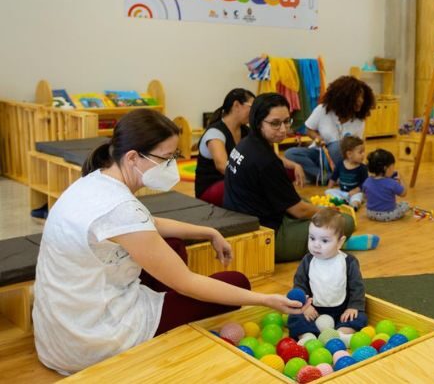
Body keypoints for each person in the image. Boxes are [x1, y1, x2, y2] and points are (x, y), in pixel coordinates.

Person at [33, 109, 304, 376]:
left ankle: (169, 299)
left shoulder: (96, 180)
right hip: (92, 338)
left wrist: (208, 232)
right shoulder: (118, 208)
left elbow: (148, 224)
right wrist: (265, 300)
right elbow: (185, 281)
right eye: (165, 158)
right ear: (132, 157)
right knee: (236, 282)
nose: (171, 166)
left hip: (62, 325)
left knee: (173, 242)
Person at [223, 93, 355, 262]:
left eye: (286, 121)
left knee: (307, 203)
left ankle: (334, 242)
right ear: (258, 122)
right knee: (345, 221)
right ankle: (335, 243)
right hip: (267, 237)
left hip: (249, 218)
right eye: (275, 124)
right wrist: (330, 212)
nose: (284, 129)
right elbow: (298, 211)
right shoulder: (266, 161)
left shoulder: (247, 142)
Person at [287, 208, 367, 339]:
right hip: (313, 311)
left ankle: (342, 335)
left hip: (342, 310)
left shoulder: (349, 262)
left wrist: (353, 307)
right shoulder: (307, 261)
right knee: (295, 316)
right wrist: (305, 306)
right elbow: (300, 285)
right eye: (312, 238)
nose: (316, 245)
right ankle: (307, 337)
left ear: (340, 242)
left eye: (324, 241)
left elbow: (357, 287)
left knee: (359, 316)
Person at [284, 76, 375, 185]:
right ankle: (326, 177)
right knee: (291, 153)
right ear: (344, 98)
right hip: (319, 153)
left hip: (341, 160)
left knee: (337, 146)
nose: (361, 100)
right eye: (357, 97)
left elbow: (357, 145)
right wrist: (317, 138)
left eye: (362, 97)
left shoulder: (359, 120)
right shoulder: (322, 110)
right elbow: (309, 130)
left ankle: (323, 175)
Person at [195, 88, 255, 206]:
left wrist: (293, 165)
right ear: (236, 105)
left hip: (233, 183)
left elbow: (263, 155)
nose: (254, 112)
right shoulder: (215, 133)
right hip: (211, 188)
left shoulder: (246, 131)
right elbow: (222, 166)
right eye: (251, 107)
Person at [362, 149, 409, 222]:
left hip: (370, 213)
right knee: (405, 204)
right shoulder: (392, 183)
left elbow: (365, 196)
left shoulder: (367, 181)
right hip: (388, 215)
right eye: (392, 167)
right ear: (385, 168)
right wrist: (401, 179)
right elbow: (404, 193)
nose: (393, 170)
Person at [325, 135, 368, 210]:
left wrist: (357, 190)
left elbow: (365, 183)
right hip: (342, 192)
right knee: (328, 192)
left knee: (358, 196)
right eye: (360, 152)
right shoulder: (340, 164)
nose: (363, 155)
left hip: (354, 193)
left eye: (363, 152)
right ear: (349, 154)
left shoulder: (362, 168)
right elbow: (333, 178)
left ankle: (354, 206)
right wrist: (329, 188)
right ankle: (342, 202)